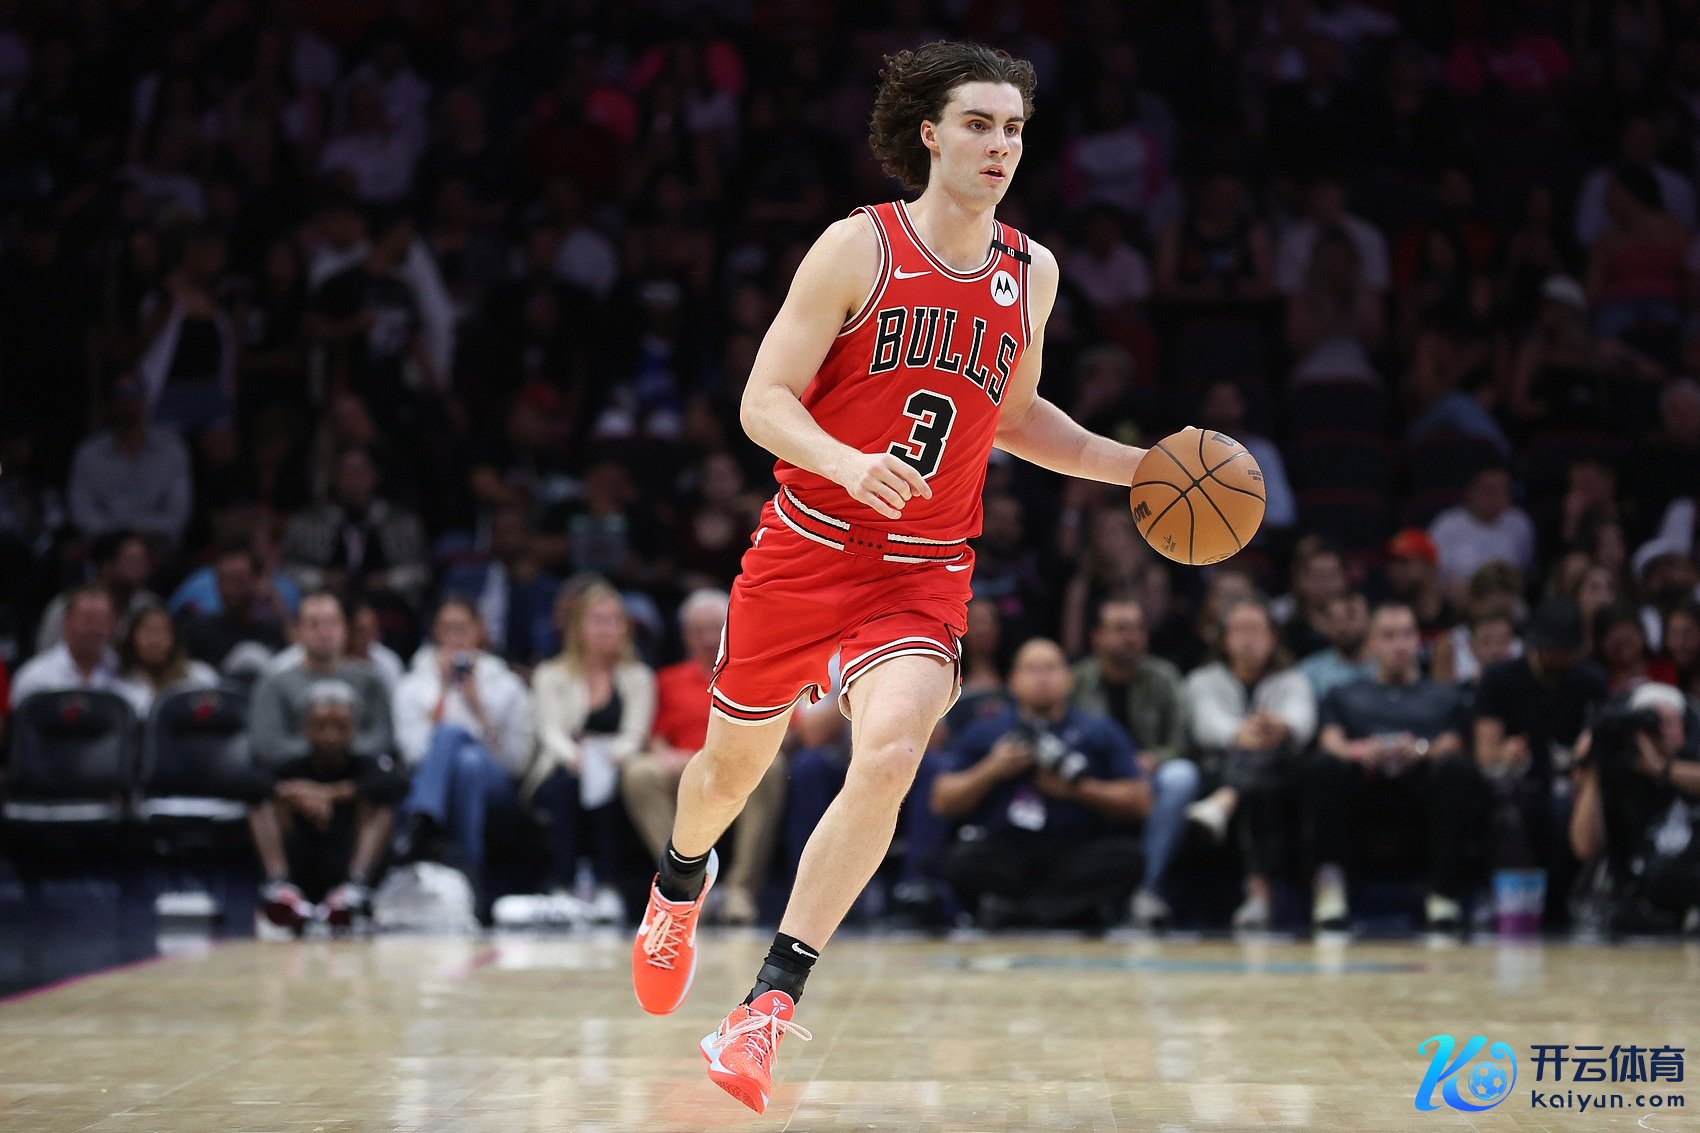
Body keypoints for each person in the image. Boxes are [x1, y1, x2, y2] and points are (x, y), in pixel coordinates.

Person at [628, 43, 1159, 1113]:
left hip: (922, 569)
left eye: (1013, 129)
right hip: (806, 543)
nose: (999, 146)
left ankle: (766, 1003)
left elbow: (1014, 418)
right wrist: (843, 460)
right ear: (929, 132)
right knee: (725, 776)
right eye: (978, 124)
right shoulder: (855, 246)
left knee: (891, 753)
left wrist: (1139, 467)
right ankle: (680, 881)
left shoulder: (1031, 271)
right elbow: (763, 401)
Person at [932, 639, 1147, 928]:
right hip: (1008, 849)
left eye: (1051, 668)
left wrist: (1078, 789)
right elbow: (942, 800)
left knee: (1128, 858)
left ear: (1068, 679)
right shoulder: (987, 731)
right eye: (1032, 669)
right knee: (961, 859)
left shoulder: (1098, 730)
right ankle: (1064, 911)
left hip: (1076, 849)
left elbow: (1140, 801)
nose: (1042, 678)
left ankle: (1019, 914)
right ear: (1012, 680)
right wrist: (992, 769)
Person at [1307, 603, 1483, 932]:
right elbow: (1329, 740)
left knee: (1456, 770)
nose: (1399, 645)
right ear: (1372, 643)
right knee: (1322, 767)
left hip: (1422, 786)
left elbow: (1454, 742)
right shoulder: (1344, 694)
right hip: (1362, 786)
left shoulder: (1444, 696)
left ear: (1418, 640)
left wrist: (1421, 749)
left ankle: (1443, 895)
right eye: (1388, 636)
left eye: (1407, 635)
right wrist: (1359, 750)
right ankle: (1330, 890)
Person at [621, 589, 786, 926]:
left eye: (716, 628)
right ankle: (685, 883)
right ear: (686, 636)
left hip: (743, 761)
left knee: (774, 766)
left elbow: (787, 731)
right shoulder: (667, 680)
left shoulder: (757, 670)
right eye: (700, 630)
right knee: (638, 773)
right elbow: (655, 741)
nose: (710, 638)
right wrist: (686, 758)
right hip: (685, 765)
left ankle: (739, 891)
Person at [391, 597, 539, 915]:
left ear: (479, 631)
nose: (455, 637)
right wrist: (444, 693)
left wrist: (477, 707)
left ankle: (423, 816)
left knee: (456, 742)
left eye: (462, 628)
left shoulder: (506, 684)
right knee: (466, 764)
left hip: (497, 785)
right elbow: (413, 755)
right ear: (435, 632)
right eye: (447, 629)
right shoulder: (412, 684)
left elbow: (515, 761)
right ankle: (471, 874)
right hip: (456, 779)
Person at [1474, 595, 1609, 928]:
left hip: (1573, 784)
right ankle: (1505, 903)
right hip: (1515, 784)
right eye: (1554, 648)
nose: (1560, 656)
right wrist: (1504, 753)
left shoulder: (1590, 682)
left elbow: (1603, 741)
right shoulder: (1500, 679)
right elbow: (1485, 754)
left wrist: (1589, 754)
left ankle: (1570, 905)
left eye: (1567, 649)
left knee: (1569, 807)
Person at [1183, 598, 1318, 930]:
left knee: (1265, 770)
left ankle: (1226, 801)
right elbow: (1205, 726)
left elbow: (1302, 722)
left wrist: (1280, 726)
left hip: (1282, 773)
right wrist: (1244, 733)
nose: (1248, 639)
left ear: (1272, 638)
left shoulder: (1292, 679)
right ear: (1225, 639)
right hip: (1220, 769)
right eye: (1240, 630)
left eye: (1256, 629)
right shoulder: (1203, 679)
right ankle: (1259, 894)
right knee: (1256, 776)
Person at [530, 583, 656, 922]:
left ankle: (608, 886)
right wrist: (575, 757)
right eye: (598, 620)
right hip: (564, 762)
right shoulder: (551, 674)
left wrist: (612, 756)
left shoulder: (639, 676)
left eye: (614, 620)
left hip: (614, 760)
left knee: (612, 785)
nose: (607, 628)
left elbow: (635, 733)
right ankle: (561, 883)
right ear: (579, 627)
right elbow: (550, 731)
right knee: (567, 784)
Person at [1068, 598, 1198, 927]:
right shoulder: (1076, 681)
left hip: (1150, 776)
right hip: (1096, 777)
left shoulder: (1164, 676)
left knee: (1181, 776)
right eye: (1121, 628)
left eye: (1138, 628)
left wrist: (1155, 758)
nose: (1132, 637)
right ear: (1097, 637)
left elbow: (1184, 739)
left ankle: (1146, 889)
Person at [259, 681, 410, 931]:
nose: (330, 736)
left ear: (353, 730)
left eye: (340, 727)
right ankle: (280, 886)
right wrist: (294, 793)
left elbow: (398, 784)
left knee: (380, 804)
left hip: (348, 858)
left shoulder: (364, 766)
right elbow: (244, 783)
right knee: (262, 803)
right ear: (306, 729)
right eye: (321, 726)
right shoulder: (290, 767)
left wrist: (330, 794)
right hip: (300, 860)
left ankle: (354, 887)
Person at [1570, 681, 1700, 930]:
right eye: (1650, 723)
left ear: (1686, 726)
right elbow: (1585, 847)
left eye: (1669, 722)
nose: (1660, 731)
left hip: (1684, 879)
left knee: (1664, 872)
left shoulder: (1692, 758)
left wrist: (1660, 768)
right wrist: (1594, 771)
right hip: (1637, 898)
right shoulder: (1620, 773)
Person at [248, 591, 395, 768]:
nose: (324, 633)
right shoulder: (273, 683)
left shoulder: (371, 680)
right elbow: (267, 745)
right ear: (297, 632)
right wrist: (323, 751)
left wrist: (338, 751)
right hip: (293, 775)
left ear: (345, 629)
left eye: (332, 623)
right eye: (314, 624)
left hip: (359, 775)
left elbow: (383, 738)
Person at [179, 545, 289, 676]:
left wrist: (276, 603)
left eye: (239, 580)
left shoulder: (274, 633)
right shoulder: (196, 632)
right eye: (224, 580)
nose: (231, 589)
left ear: (256, 581)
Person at [9, 587, 124, 707]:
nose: (94, 628)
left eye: (101, 620)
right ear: (67, 621)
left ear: (114, 624)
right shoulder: (35, 678)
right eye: (88, 619)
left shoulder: (126, 674)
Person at [114, 604, 219, 717]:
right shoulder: (118, 687)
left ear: (175, 638)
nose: (155, 641)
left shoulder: (201, 676)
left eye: (163, 631)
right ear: (132, 638)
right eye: (148, 631)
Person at [1295, 591, 1375, 701]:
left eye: (1350, 617)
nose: (1342, 627)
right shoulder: (1309, 672)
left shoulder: (1389, 664)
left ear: (1370, 619)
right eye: (1335, 620)